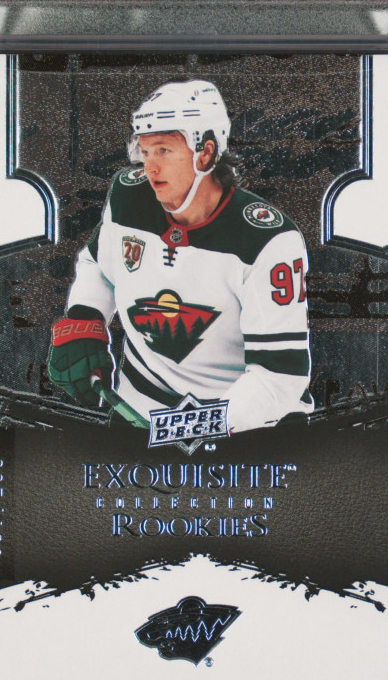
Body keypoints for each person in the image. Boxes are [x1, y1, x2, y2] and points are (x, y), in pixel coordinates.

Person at [47, 79, 313, 433]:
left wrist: (189, 428)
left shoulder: (268, 240)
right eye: (145, 152)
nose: (150, 168)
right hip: (139, 411)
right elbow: (99, 264)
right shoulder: (129, 196)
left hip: (245, 429)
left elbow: (279, 377)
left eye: (164, 150)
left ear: (205, 153)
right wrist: (86, 319)